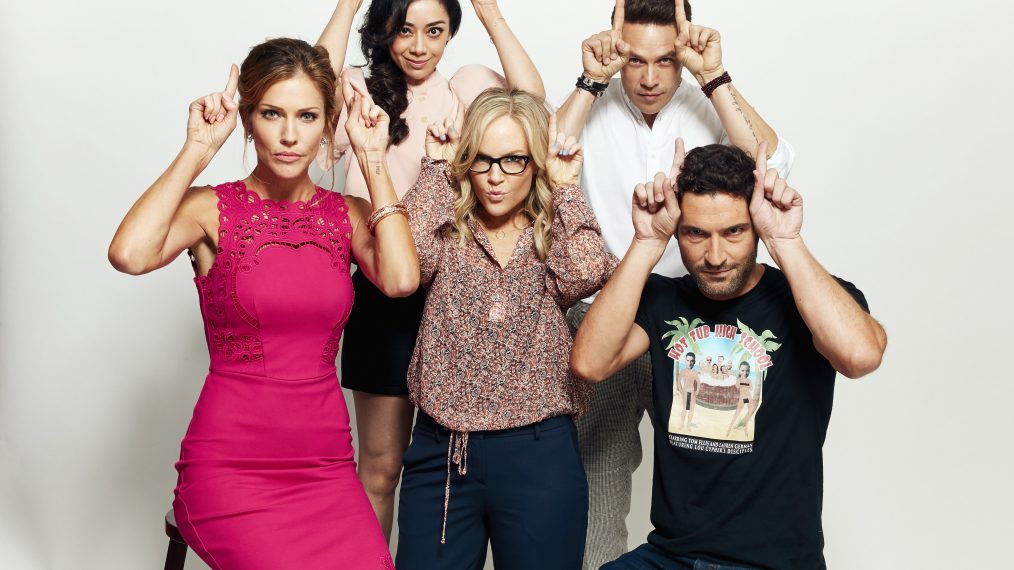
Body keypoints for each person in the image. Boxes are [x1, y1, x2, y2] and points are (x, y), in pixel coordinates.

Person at [107, 38, 418, 568]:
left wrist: (372, 157)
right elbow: (129, 254)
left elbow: (401, 280)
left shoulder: (346, 213)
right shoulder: (211, 209)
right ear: (248, 120)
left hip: (324, 469)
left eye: (307, 116)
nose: (291, 135)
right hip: (229, 469)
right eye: (272, 114)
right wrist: (198, 150)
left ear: (327, 124)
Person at [554, 0, 796, 565]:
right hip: (606, 322)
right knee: (597, 479)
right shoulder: (595, 103)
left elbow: (774, 165)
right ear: (616, 45)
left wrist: (713, 77)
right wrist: (591, 79)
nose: (649, 77)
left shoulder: (706, 101)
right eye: (635, 59)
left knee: (718, 467)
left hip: (697, 322)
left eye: (666, 60)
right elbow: (544, 160)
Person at [571, 141, 887, 569]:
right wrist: (646, 243)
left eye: (734, 232)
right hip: (671, 556)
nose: (715, 256)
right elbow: (589, 363)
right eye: (695, 233)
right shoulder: (663, 299)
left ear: (756, 225)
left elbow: (860, 356)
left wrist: (784, 239)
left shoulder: (807, 299)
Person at [316, 0, 545, 539]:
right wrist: (347, 6)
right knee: (380, 468)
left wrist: (488, 12)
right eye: (405, 31)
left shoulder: (465, 87)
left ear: (449, 35)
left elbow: (532, 101)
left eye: (435, 31)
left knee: (455, 463)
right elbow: (312, 86)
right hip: (383, 288)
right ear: (384, 33)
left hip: (457, 288)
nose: (419, 46)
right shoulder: (357, 88)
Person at [395, 87, 614, 569]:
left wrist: (566, 189)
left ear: (536, 162)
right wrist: (434, 168)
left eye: (513, 160)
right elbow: (403, 263)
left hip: (539, 452)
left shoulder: (551, 230)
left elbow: (583, 274)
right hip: (444, 453)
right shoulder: (447, 229)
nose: (495, 177)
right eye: (482, 159)